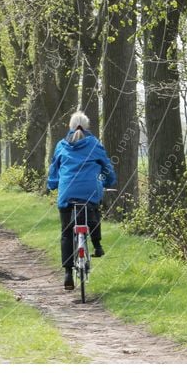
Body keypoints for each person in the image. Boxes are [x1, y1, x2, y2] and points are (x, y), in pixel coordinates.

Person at [47, 110, 116, 290]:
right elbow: (107, 167)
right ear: (87, 127)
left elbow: (54, 169)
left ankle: (68, 273)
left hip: (67, 193)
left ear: (70, 127)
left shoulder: (62, 145)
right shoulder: (94, 144)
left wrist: (52, 185)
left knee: (66, 232)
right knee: (93, 210)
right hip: (89, 191)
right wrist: (109, 181)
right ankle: (97, 245)